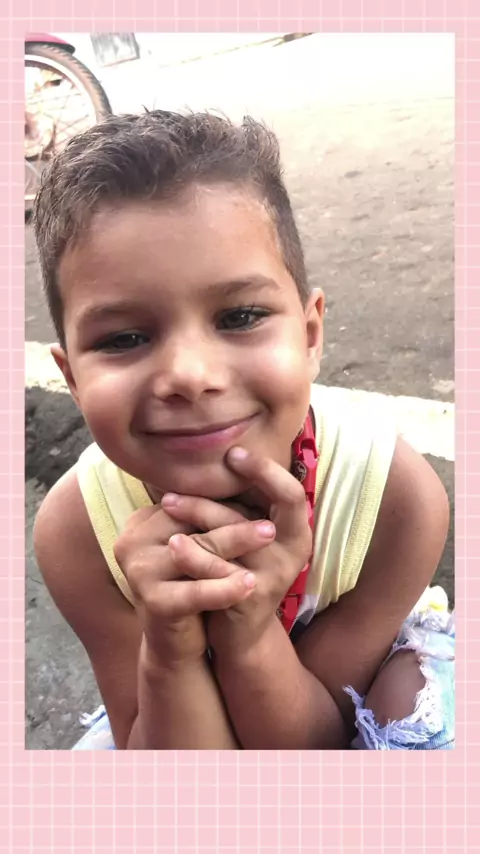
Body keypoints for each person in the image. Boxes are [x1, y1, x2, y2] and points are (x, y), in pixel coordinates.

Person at [32, 111, 454, 750]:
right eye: (123, 338)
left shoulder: (394, 500)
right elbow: (183, 783)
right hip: (176, 722)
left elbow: (312, 754)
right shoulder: (77, 533)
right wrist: (170, 655)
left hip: (333, 704)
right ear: (71, 377)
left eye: (239, 316)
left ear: (309, 336)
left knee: (416, 707)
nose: (189, 375)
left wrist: (249, 628)